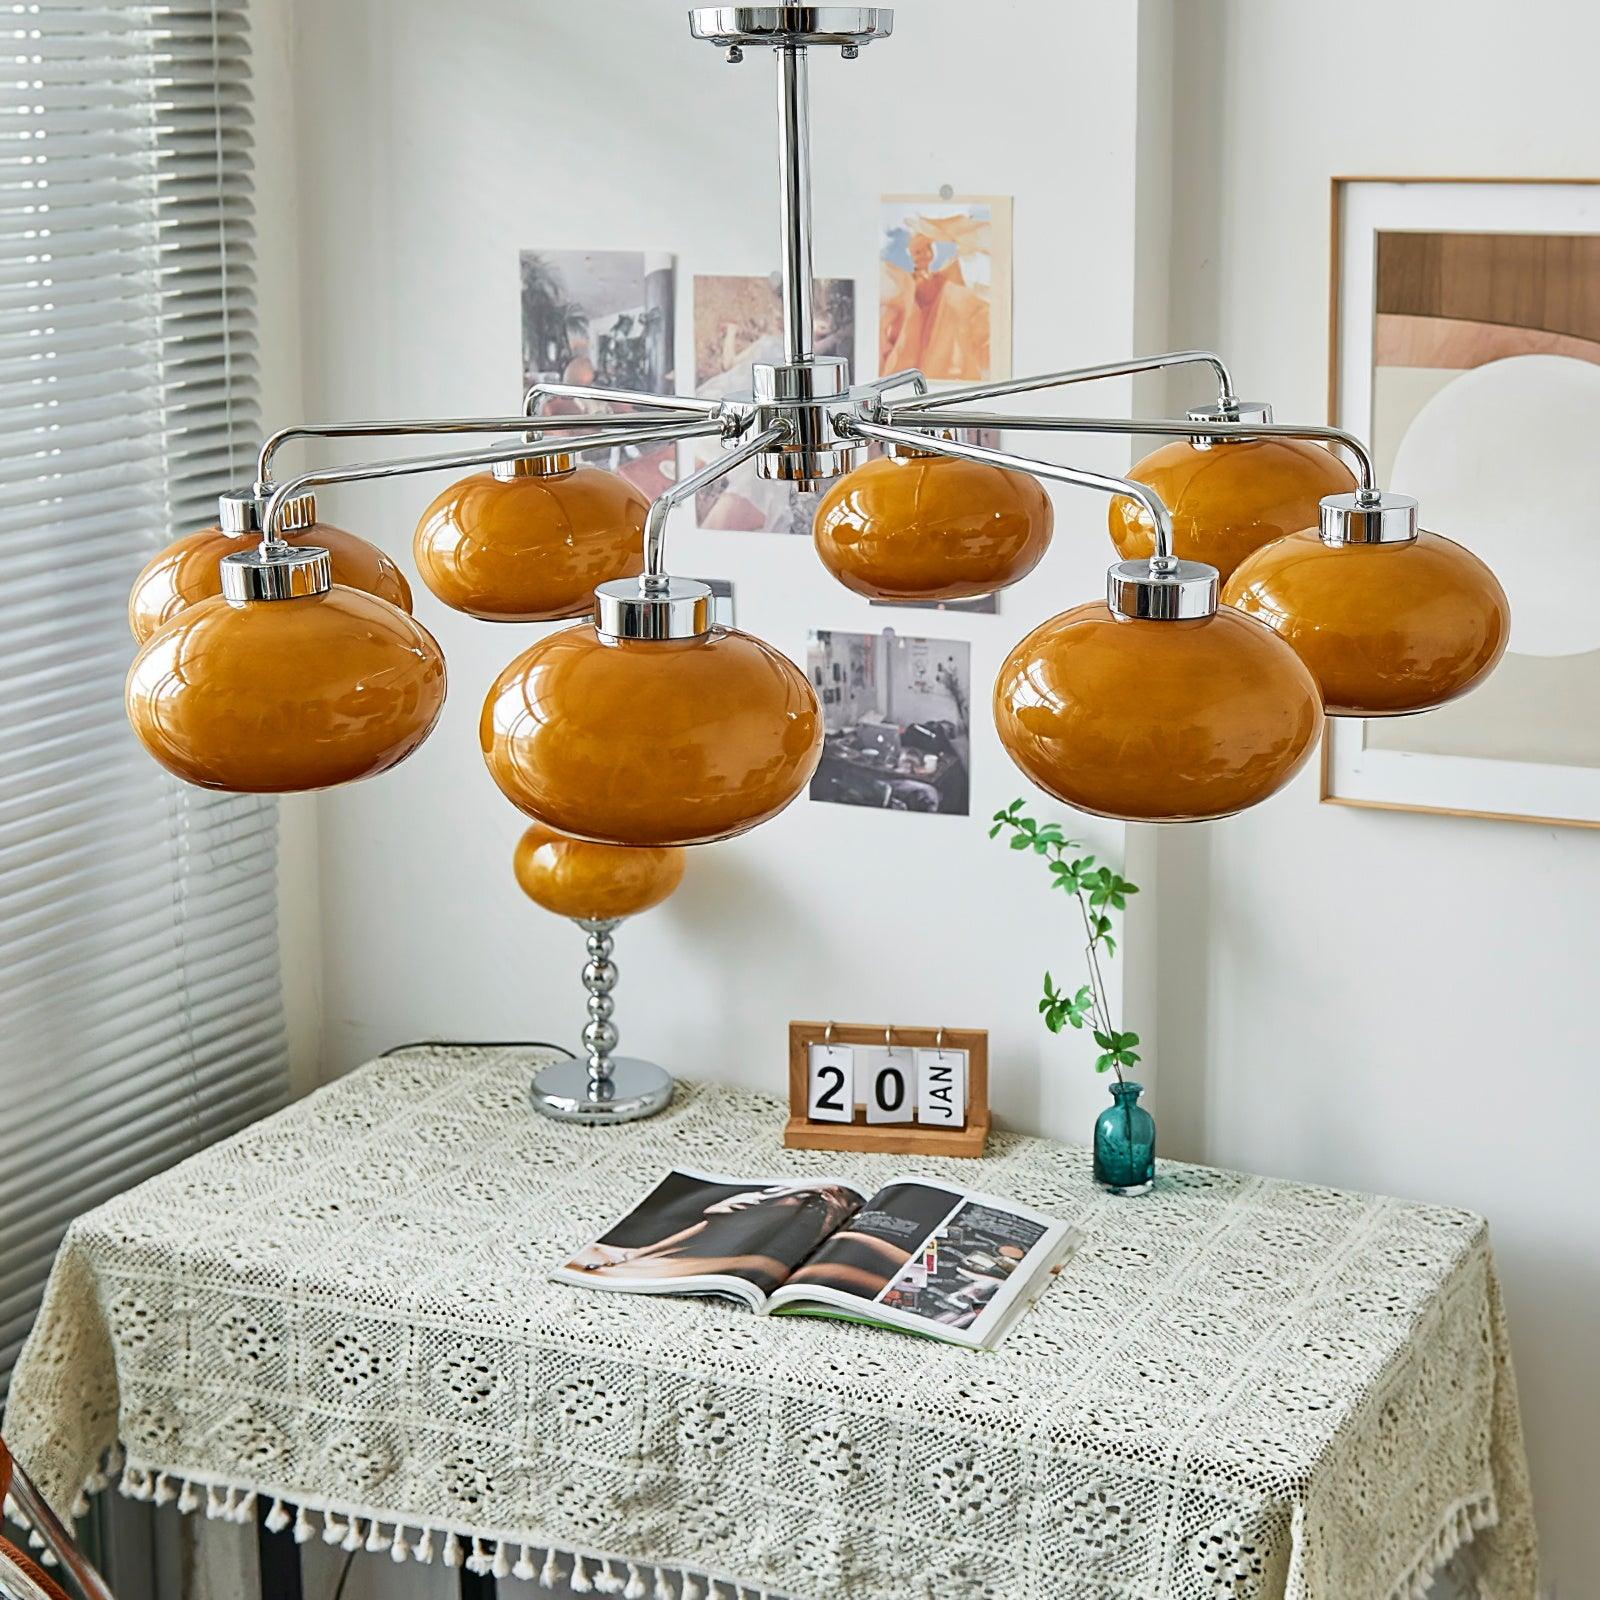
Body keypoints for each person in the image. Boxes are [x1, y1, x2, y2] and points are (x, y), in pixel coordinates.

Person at [879, 215, 992, 381]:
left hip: (940, 340)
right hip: (920, 342)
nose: (924, 255)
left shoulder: (941, 278)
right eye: (917, 252)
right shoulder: (909, 283)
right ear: (910, 255)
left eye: (928, 249)